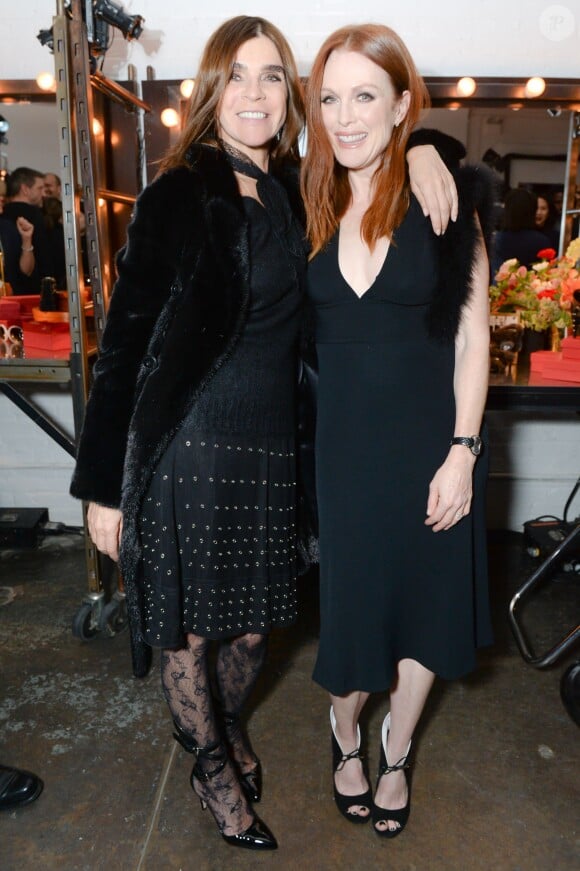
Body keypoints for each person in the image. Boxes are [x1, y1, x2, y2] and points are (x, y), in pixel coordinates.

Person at [69, 15, 457, 851]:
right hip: (193, 446)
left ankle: (223, 724)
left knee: (252, 626)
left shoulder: (296, 190)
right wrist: (103, 483)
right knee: (194, 629)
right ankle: (210, 761)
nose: (256, 93)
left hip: (274, 446)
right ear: (212, 92)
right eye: (238, 76)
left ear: (292, 99)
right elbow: (127, 342)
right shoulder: (180, 191)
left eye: (273, 77)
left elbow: (385, 180)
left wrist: (431, 146)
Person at [301, 24, 494, 838]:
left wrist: (464, 451)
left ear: (402, 104)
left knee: (427, 615)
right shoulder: (298, 203)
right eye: (331, 98)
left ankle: (396, 744)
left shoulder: (446, 201)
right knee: (354, 626)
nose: (346, 117)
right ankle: (344, 725)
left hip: (431, 450)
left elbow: (473, 336)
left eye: (366, 96)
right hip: (341, 459)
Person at [2, 167, 54, 293]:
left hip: (16, 295)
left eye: (3, 195)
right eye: (40, 188)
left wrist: (27, 240)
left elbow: (24, 270)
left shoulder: (7, 224)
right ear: (25, 189)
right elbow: (45, 258)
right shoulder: (35, 214)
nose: (44, 193)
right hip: (32, 293)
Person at [490, 188, 551, 275]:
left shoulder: (496, 240)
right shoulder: (542, 241)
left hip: (500, 287)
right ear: (532, 211)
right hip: (533, 286)